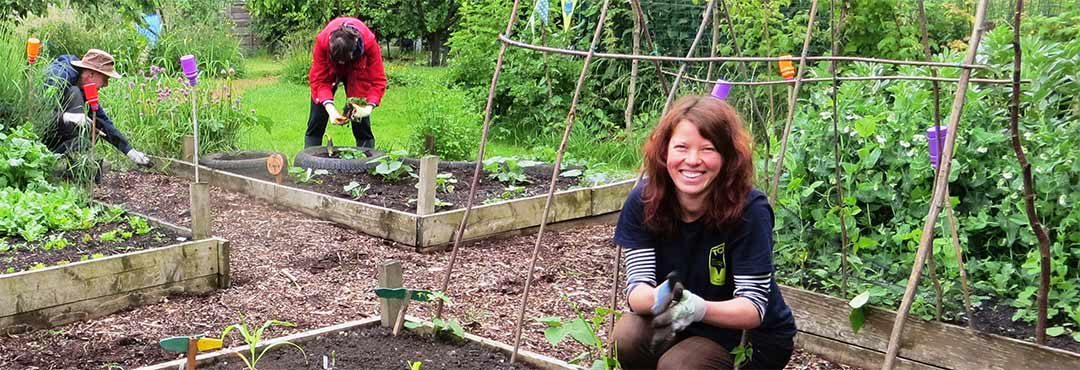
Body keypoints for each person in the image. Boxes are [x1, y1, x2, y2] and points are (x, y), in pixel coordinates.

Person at [611, 96, 796, 369]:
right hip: (676, 320)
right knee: (626, 336)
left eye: (708, 149)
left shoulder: (749, 210)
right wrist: (658, 297)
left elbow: (753, 308)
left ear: (727, 158)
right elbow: (637, 289)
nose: (693, 160)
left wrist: (698, 308)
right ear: (665, 152)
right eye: (681, 147)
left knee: (681, 366)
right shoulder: (645, 200)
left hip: (744, 336)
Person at [43, 49, 150, 165]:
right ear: (91, 74)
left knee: (92, 128)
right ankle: (44, 160)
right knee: (75, 93)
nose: (106, 84)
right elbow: (34, 114)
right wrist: (67, 117)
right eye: (105, 79)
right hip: (36, 132)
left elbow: (102, 120)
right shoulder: (57, 78)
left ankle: (52, 160)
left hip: (54, 127)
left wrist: (130, 151)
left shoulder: (84, 86)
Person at [305, 16, 387, 149]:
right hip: (330, 70)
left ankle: (366, 161)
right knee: (316, 119)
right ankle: (309, 164)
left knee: (361, 122)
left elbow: (378, 80)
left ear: (355, 44)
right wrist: (330, 108)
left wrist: (368, 108)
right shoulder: (322, 42)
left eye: (344, 59)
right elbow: (319, 80)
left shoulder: (369, 43)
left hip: (357, 71)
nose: (342, 63)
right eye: (339, 60)